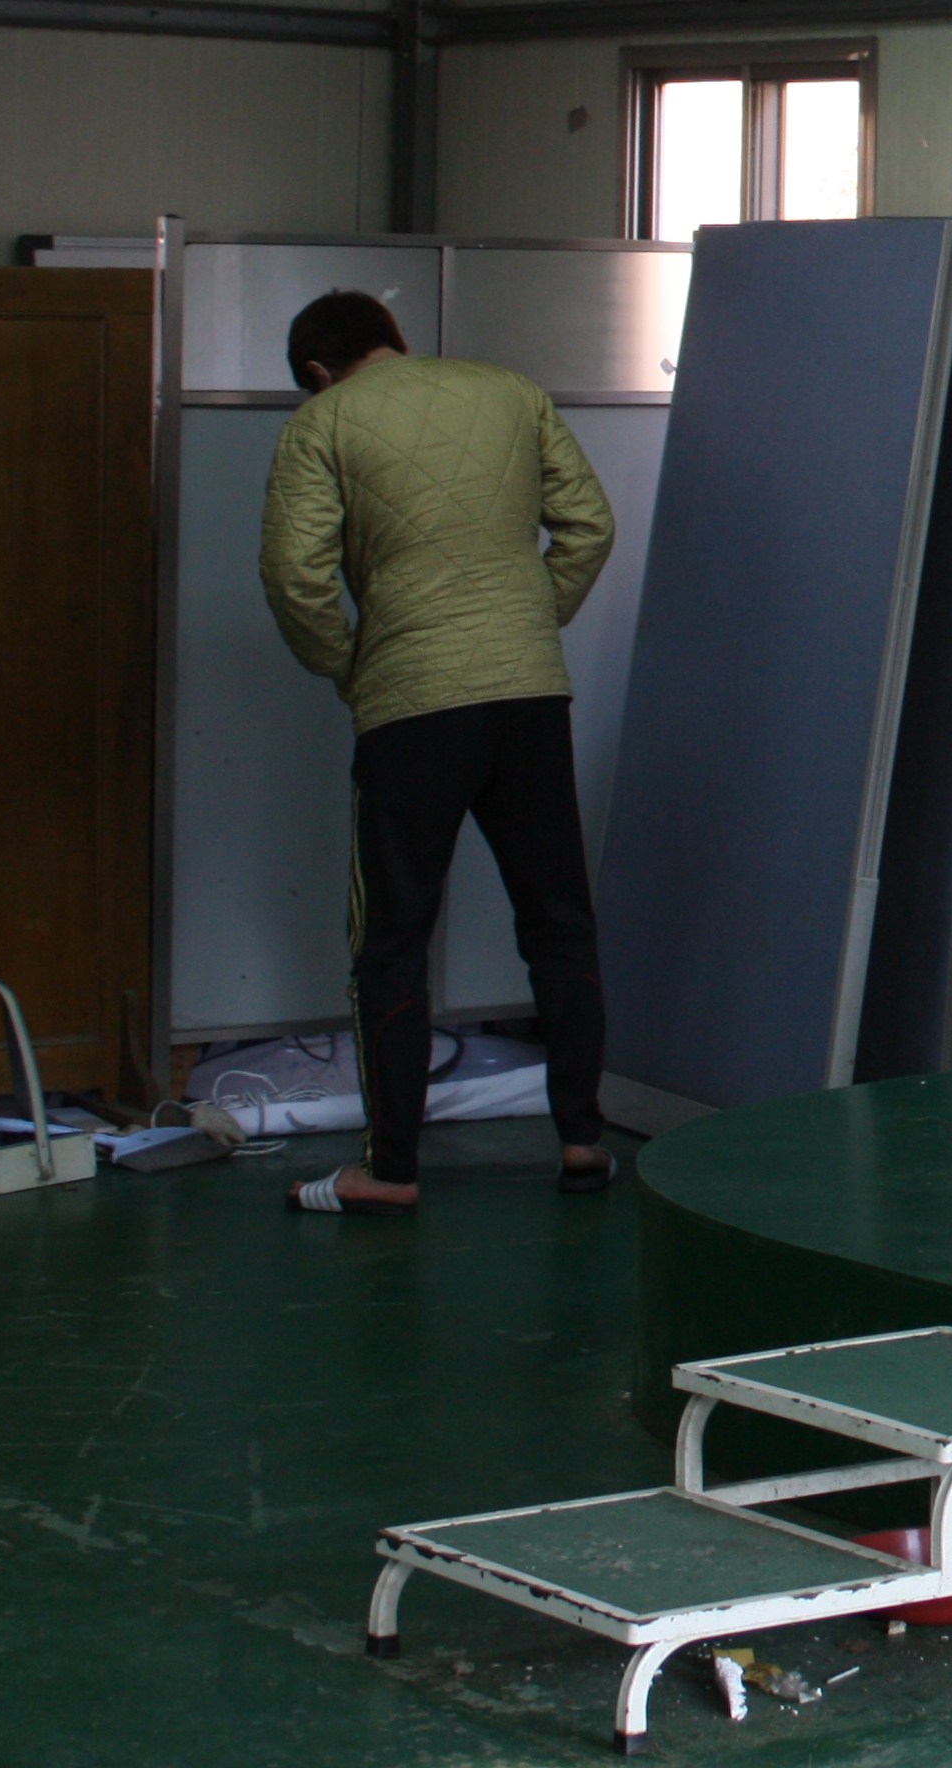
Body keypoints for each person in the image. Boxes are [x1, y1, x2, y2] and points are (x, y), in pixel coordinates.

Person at [257, 289, 617, 1213]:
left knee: (391, 941)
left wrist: (351, 664)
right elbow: (590, 525)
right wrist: (528, 622)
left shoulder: (321, 422)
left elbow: (295, 577)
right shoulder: (511, 391)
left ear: (317, 372)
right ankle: (583, 1140)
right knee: (560, 921)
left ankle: (390, 1170)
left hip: (411, 704)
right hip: (531, 694)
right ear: (397, 340)